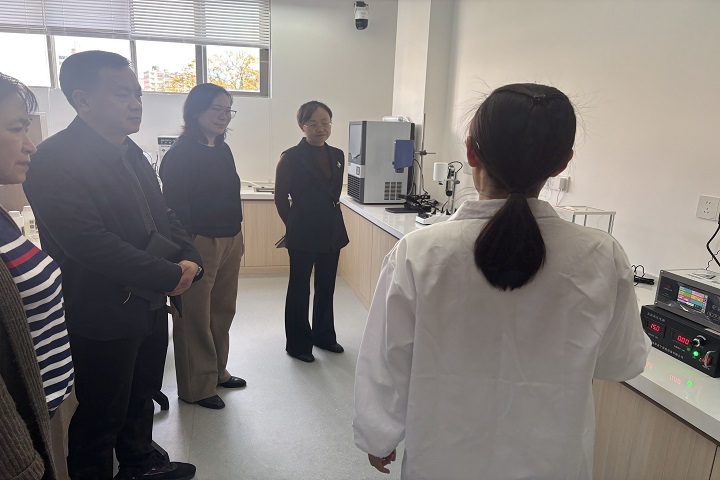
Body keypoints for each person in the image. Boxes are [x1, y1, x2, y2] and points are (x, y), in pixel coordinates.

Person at [353, 83, 651, 480]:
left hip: (442, 461)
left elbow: (387, 358)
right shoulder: (601, 255)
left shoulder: (419, 252)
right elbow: (621, 361)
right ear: (562, 163)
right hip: (551, 464)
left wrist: (379, 434)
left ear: (471, 152)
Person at [23, 51, 202, 480]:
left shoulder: (130, 151)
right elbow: (89, 243)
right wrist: (169, 275)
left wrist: (190, 255)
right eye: (123, 94)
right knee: (102, 412)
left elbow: (163, 213)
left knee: (141, 394)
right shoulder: (53, 159)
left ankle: (139, 465)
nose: (135, 104)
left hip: (149, 302)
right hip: (102, 311)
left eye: (137, 94)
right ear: (83, 100)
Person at [0, 72, 75, 480]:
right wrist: (22, 464)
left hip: (45, 403)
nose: (30, 145)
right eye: (17, 129)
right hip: (18, 442)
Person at [160, 83, 245, 410]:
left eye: (227, 110)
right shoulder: (180, 154)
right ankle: (196, 387)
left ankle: (217, 371)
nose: (223, 116)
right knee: (193, 316)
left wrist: (239, 236)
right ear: (195, 112)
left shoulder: (223, 149)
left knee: (223, 310)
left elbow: (231, 195)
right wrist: (187, 251)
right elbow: (175, 209)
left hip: (230, 239)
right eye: (216, 109)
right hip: (198, 243)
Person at [274, 101, 349, 363]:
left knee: (327, 285)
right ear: (302, 126)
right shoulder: (290, 157)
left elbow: (332, 193)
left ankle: (324, 336)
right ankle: (298, 345)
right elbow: (280, 198)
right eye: (313, 124)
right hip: (302, 231)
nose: (321, 129)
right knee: (299, 288)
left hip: (332, 229)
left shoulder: (337, 155)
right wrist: (293, 224)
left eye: (325, 123)